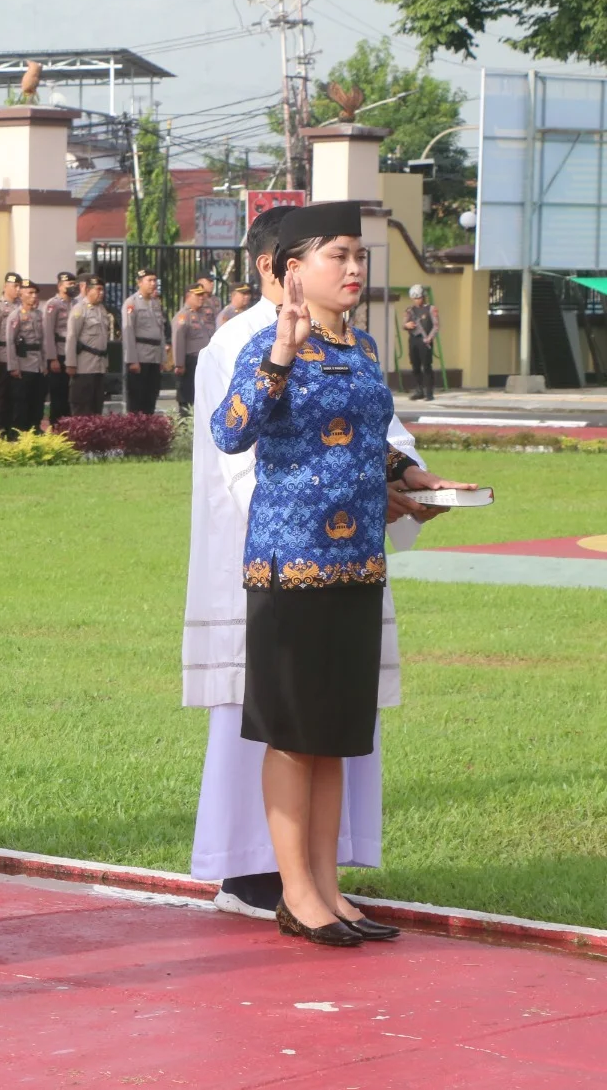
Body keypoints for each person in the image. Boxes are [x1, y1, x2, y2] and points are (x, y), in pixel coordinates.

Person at [209, 200, 473, 946]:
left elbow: (362, 441)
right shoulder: (264, 344)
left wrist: (412, 477)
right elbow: (230, 432)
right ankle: (297, 892)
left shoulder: (359, 351)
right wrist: (282, 353)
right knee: (294, 736)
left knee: (332, 736)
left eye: (361, 257)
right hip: (291, 569)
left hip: (357, 565)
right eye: (339, 256)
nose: (355, 269)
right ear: (294, 270)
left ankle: (328, 888)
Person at [65, 277, 112, 416]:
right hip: (84, 366)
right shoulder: (79, 309)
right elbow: (72, 337)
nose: (101, 293)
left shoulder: (102, 309)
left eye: (102, 289)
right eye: (98, 289)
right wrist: (71, 364)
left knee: (97, 405)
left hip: (99, 366)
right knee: (82, 406)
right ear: (88, 290)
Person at [121, 268, 166, 414]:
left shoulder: (156, 303)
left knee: (151, 397)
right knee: (137, 399)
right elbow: (128, 332)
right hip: (140, 356)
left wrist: (162, 359)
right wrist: (132, 360)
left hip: (154, 356)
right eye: (149, 280)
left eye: (155, 280)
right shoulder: (131, 303)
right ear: (139, 283)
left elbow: (161, 331)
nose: (153, 284)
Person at [171, 280, 219, 416]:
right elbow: (178, 340)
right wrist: (179, 364)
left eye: (202, 295)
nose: (201, 298)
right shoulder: (183, 316)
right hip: (191, 361)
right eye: (197, 295)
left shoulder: (205, 315)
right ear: (188, 297)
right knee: (188, 396)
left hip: (206, 361)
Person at [6, 280, 48, 433]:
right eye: (30, 293)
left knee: (38, 400)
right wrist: (13, 367)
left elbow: (44, 342)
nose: (34, 296)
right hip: (23, 365)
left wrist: (44, 364)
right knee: (22, 401)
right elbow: (10, 342)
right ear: (21, 295)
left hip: (38, 365)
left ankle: (35, 427)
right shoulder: (15, 316)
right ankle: (20, 431)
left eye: (35, 293)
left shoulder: (40, 315)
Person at [0, 272, 22, 438]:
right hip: (1, 357)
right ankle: (1, 428)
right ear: (5, 287)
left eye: (19, 286)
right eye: (14, 286)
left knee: (16, 395)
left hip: (18, 358)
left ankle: (13, 428)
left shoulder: (21, 306)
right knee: (2, 395)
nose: (18, 289)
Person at [45, 272, 76, 423]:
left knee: (72, 394)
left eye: (73, 283)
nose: (71, 286)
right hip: (59, 353)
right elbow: (48, 332)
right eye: (68, 284)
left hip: (74, 354)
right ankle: (56, 425)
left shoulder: (76, 304)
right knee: (59, 393)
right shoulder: (53, 304)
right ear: (60, 286)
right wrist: (52, 358)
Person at [404, 284, 439, 400]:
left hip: (425, 341)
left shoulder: (431, 309)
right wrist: (406, 325)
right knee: (415, 366)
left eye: (418, 298)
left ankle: (429, 393)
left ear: (423, 297)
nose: (416, 300)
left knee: (427, 366)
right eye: (414, 298)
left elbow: (436, 326)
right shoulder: (410, 310)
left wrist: (430, 337)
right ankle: (419, 390)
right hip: (413, 339)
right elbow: (404, 325)